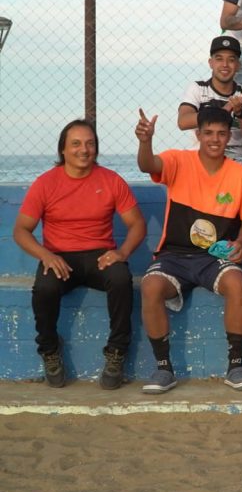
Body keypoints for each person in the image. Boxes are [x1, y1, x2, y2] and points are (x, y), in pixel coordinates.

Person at [13, 120, 146, 389]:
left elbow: (138, 224)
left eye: (90, 143)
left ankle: (117, 352)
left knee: (121, 279)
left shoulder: (110, 180)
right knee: (45, 288)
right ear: (63, 149)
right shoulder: (45, 183)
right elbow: (21, 231)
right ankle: (49, 350)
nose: (83, 150)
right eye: (76, 144)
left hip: (100, 256)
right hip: (60, 257)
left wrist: (121, 252)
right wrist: (45, 256)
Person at [136, 106, 242, 394]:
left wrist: (240, 243)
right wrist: (145, 141)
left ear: (229, 136)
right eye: (208, 133)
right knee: (151, 286)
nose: (215, 139)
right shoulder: (179, 160)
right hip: (174, 256)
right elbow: (147, 165)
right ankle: (164, 368)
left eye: (221, 133)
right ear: (198, 134)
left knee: (237, 281)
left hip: (214, 257)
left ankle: (236, 365)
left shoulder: (240, 175)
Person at [178, 36, 242, 175]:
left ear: (238, 65)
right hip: (202, 152)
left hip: (237, 156)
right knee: (184, 176)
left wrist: (240, 113)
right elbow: (183, 121)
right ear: (211, 63)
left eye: (231, 60)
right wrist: (224, 110)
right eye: (219, 59)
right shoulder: (198, 88)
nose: (225, 64)